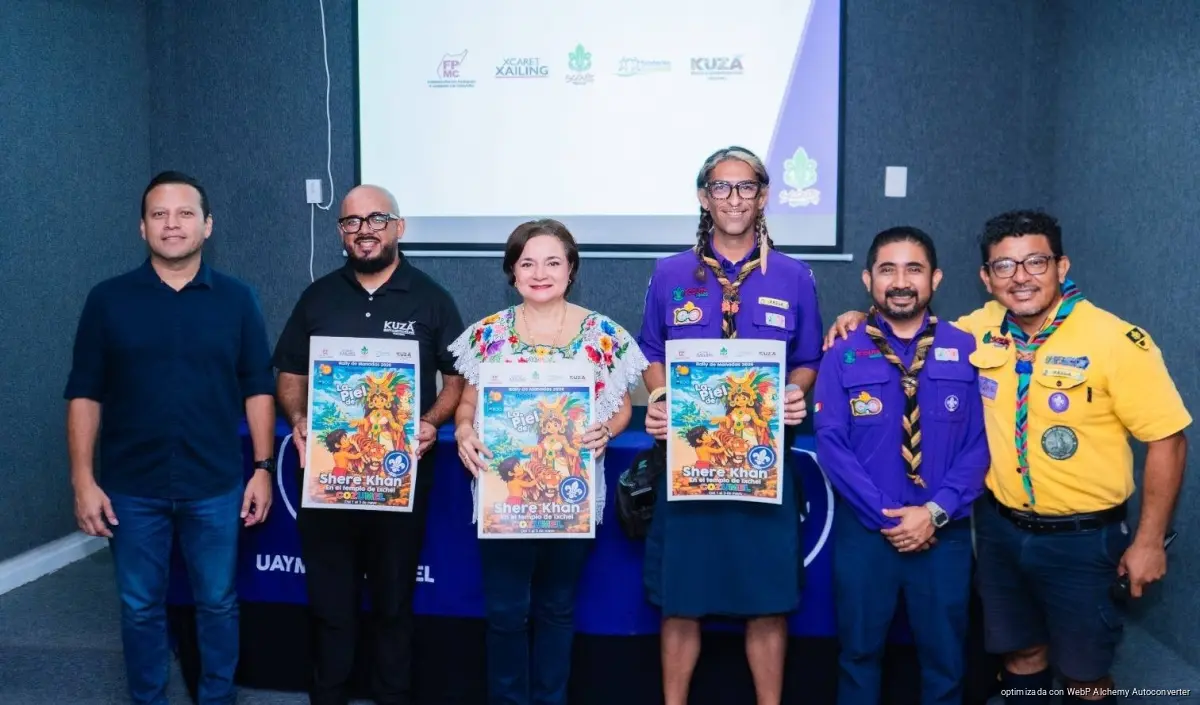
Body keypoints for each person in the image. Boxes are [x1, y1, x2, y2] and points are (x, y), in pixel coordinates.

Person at [823, 210, 1190, 704]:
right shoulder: (978, 331)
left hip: (1079, 539)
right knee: (1020, 654)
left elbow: (1168, 439)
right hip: (1001, 534)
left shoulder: (1113, 340)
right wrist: (855, 318)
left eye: (1035, 262)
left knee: (1084, 673)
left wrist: (1148, 541)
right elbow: (901, 324)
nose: (1020, 277)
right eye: (1004, 266)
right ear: (986, 277)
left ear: (1062, 266)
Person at [65, 170, 276, 704]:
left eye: (185, 213)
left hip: (215, 484)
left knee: (218, 603)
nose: (172, 224)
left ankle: (217, 698)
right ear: (142, 228)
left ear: (208, 225)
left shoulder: (238, 299)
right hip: (131, 487)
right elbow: (84, 393)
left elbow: (257, 388)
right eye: (159, 214)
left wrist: (262, 469)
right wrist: (82, 481)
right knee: (139, 607)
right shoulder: (107, 300)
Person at [637, 146, 823, 705]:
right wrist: (662, 397)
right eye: (721, 187)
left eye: (746, 187)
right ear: (704, 197)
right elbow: (651, 352)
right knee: (681, 598)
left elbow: (807, 358)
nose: (734, 198)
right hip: (690, 463)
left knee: (768, 598)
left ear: (763, 197)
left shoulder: (794, 276)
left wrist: (795, 391)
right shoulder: (669, 273)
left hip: (762, 465)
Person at [272, 184, 466, 705]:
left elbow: (457, 378)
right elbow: (289, 372)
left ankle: (392, 697)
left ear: (398, 227)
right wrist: (298, 417)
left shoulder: (431, 298)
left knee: (393, 605)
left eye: (376, 219)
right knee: (330, 606)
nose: (364, 230)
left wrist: (431, 421)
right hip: (329, 480)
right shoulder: (317, 297)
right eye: (351, 222)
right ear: (341, 233)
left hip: (399, 479)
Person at [449, 219, 648, 705]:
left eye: (553, 262)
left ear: (571, 270)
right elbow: (467, 403)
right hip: (505, 494)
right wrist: (464, 430)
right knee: (505, 612)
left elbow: (622, 408)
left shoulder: (602, 336)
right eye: (528, 263)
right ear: (512, 272)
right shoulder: (488, 335)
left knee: (558, 608)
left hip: (570, 496)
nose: (540, 273)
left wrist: (608, 429)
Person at [813, 227, 990, 705]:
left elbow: (982, 444)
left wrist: (934, 512)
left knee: (946, 662)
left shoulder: (969, 349)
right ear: (868, 278)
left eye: (914, 269)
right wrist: (888, 517)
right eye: (887, 269)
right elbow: (831, 444)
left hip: (944, 534)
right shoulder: (842, 350)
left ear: (935, 278)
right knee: (858, 658)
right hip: (867, 535)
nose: (901, 282)